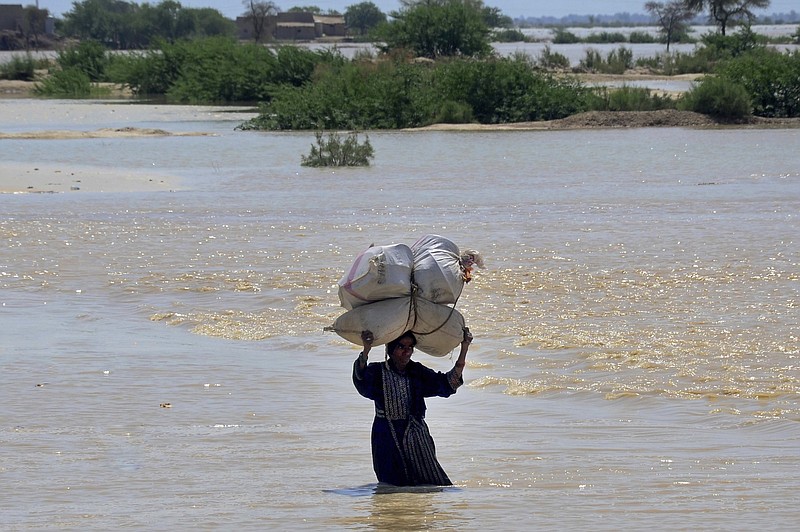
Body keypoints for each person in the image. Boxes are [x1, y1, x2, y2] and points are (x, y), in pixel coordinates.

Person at [353, 327, 473, 486]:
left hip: (416, 435)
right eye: (401, 347)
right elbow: (361, 381)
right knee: (390, 486)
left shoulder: (417, 371)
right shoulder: (377, 371)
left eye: (410, 347)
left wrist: (464, 348)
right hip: (385, 435)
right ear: (391, 349)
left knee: (431, 483)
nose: (406, 351)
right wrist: (366, 350)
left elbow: (446, 384)